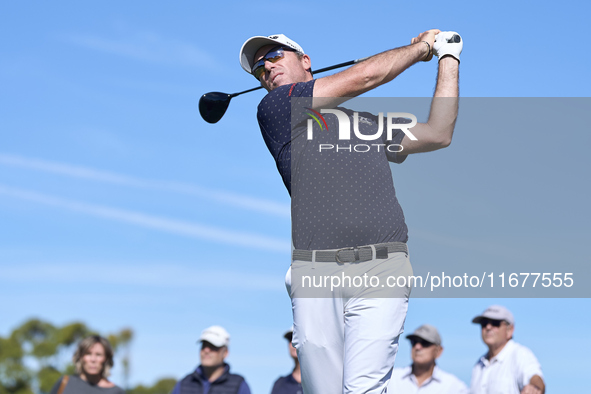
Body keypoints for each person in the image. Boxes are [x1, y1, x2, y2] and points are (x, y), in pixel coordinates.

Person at [240, 30, 462, 393]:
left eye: (274, 56)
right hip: (315, 270)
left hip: (382, 265)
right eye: (259, 69)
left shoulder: (366, 124)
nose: (266, 68)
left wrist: (448, 58)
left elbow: (438, 133)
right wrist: (421, 48)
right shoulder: (276, 107)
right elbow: (365, 76)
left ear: (304, 60)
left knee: (363, 389)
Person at [470, 305, 545, 394]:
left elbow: (535, 377)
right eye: (484, 323)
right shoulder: (478, 366)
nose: (488, 327)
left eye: (495, 323)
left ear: (509, 330)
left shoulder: (520, 354)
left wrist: (534, 388)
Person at [388, 324, 468, 393]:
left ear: (438, 351)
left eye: (424, 343)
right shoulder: (390, 379)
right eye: (414, 342)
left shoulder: (454, 387)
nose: (417, 347)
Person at [171, 325, 251, 394]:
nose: (206, 350)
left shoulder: (238, 385)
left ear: (225, 352)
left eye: (213, 346)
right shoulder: (184, 384)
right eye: (204, 346)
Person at [50, 335, 125, 394]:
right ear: (80, 357)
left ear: (106, 359)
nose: (93, 359)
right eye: (88, 354)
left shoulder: (116, 392)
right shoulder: (65, 382)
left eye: (98, 355)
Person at [270, 327, 302, 394]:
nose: (292, 343)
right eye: (290, 339)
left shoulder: (319, 382)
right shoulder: (280, 384)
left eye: (297, 338)